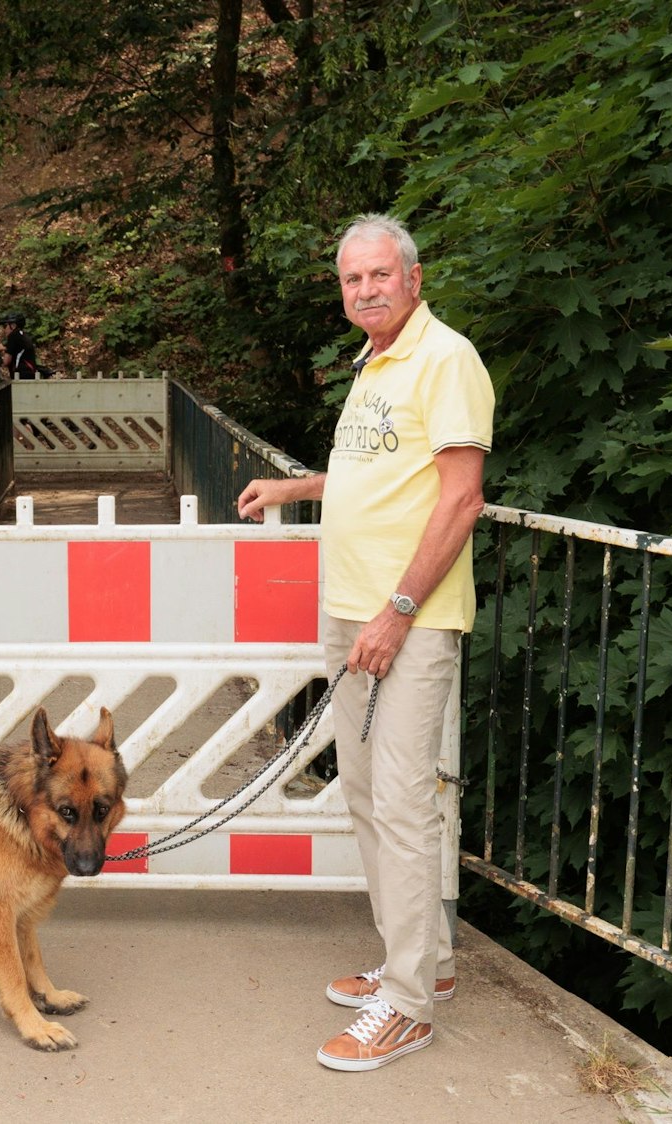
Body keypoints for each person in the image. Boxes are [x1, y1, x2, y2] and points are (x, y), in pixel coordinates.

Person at [236, 213, 493, 1073]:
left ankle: (409, 1005)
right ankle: (420, 962)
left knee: (404, 803)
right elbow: (378, 470)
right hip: (353, 610)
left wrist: (399, 609)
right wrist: (296, 485)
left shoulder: (445, 358)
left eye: (381, 274)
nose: (366, 289)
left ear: (414, 279)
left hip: (403, 618)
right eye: (352, 279)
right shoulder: (376, 361)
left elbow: (460, 498)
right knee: (365, 796)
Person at [0, 313, 41, 378]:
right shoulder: (23, 335)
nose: (4, 329)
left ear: (13, 326)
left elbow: (6, 361)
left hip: (21, 375)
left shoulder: (13, 336)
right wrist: (4, 348)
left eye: (5, 326)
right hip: (31, 374)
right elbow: (17, 349)